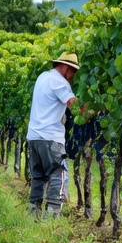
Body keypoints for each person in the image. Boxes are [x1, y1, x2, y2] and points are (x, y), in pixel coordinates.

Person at [26, 53, 80, 216]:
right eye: (73, 73)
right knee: (58, 172)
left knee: (38, 176)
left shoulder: (43, 77)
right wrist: (94, 109)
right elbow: (74, 105)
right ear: (66, 68)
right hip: (51, 138)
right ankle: (53, 214)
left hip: (34, 137)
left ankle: (33, 212)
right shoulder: (60, 82)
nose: (73, 78)